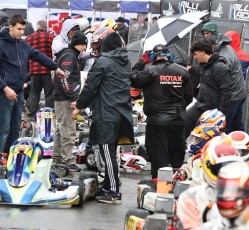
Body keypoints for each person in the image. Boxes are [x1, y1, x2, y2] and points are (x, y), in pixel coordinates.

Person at [0, 14, 65, 156]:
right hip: (4, 93)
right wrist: (5, 88)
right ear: (10, 27)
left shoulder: (22, 44)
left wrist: (55, 67)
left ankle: (10, 158)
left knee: (14, 130)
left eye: (23, 29)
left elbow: (39, 56)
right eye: (19, 29)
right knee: (3, 129)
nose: (22, 32)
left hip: (18, 93)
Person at [73, 32, 134, 204]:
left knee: (108, 153)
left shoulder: (103, 62)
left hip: (107, 113)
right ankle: (108, 185)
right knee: (111, 152)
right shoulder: (126, 61)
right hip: (122, 112)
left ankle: (113, 191)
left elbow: (90, 87)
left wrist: (78, 106)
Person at [131, 44, 193, 178]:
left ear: (153, 56)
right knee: (177, 156)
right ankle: (178, 184)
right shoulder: (182, 71)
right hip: (178, 120)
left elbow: (133, 79)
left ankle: (159, 187)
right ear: (169, 55)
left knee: (159, 156)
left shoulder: (149, 70)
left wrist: (141, 63)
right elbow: (188, 98)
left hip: (157, 122)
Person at [201, 23, 247, 134]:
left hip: (234, 96)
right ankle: (243, 146)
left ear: (214, 35)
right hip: (239, 93)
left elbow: (224, 84)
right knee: (237, 125)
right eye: (204, 33)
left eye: (208, 33)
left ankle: (227, 149)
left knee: (226, 127)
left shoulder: (224, 55)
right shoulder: (224, 47)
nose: (205, 36)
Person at [52, 31, 88, 172]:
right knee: (68, 130)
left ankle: (57, 158)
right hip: (65, 98)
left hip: (62, 97)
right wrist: (73, 98)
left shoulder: (68, 54)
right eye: (84, 44)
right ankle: (68, 160)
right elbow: (64, 77)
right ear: (79, 44)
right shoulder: (70, 56)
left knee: (61, 130)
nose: (85, 48)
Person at [184, 37, 232, 139]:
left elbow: (226, 91)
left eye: (196, 54)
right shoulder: (203, 65)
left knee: (210, 137)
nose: (195, 57)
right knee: (184, 122)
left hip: (213, 109)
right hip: (201, 104)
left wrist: (221, 114)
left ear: (202, 52)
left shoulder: (219, 67)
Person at [25, 20, 55, 117]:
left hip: (34, 71)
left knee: (34, 94)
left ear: (37, 27)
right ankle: (48, 114)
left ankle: (33, 113)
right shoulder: (52, 38)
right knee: (49, 94)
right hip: (48, 70)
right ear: (46, 28)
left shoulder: (29, 38)